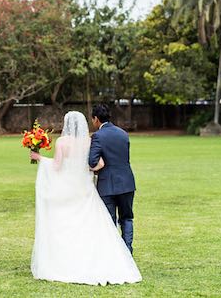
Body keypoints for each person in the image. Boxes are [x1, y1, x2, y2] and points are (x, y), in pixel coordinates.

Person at [29, 111, 141, 285]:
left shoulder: (62, 142)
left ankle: (67, 259)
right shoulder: (89, 141)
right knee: (92, 223)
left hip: (68, 188)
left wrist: (39, 158)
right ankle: (120, 253)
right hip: (85, 189)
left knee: (66, 222)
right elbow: (99, 164)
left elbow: (57, 166)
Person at [88, 103, 136, 255]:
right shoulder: (123, 133)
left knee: (109, 221)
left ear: (96, 119)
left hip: (107, 184)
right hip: (127, 183)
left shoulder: (97, 136)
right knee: (127, 218)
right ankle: (127, 251)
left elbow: (92, 161)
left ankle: (114, 254)